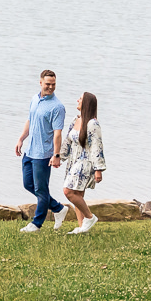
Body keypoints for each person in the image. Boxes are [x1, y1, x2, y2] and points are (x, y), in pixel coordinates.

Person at [13, 68, 66, 231]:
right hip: (30, 151)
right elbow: (30, 119)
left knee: (41, 189)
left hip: (44, 154)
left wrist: (56, 155)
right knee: (28, 184)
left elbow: (58, 134)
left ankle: (37, 223)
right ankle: (58, 208)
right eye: (48, 84)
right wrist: (21, 138)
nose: (51, 87)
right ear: (41, 82)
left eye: (54, 84)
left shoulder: (57, 107)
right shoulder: (35, 99)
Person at [60, 90, 106, 234]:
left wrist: (98, 169)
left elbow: (97, 146)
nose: (77, 101)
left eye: (80, 99)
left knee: (68, 191)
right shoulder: (76, 119)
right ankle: (82, 228)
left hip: (85, 163)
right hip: (73, 161)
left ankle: (90, 217)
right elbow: (68, 140)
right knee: (78, 195)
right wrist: (58, 157)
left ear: (86, 103)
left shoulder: (93, 124)